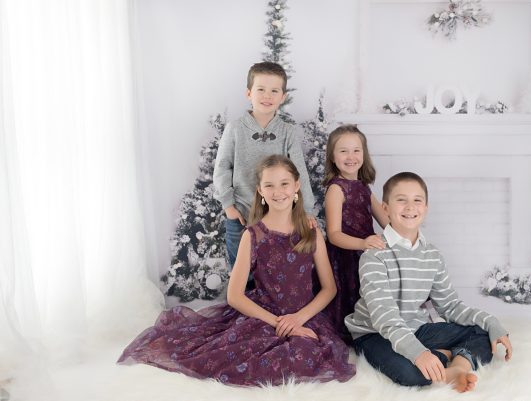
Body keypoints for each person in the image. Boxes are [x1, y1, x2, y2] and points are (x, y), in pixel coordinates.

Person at [118, 155, 355, 386]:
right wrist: (278, 323)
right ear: (260, 191)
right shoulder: (253, 235)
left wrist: (298, 320)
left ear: (296, 186)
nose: (278, 191)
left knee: (311, 354)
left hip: (305, 314)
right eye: (269, 185)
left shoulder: (311, 232)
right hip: (265, 315)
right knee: (263, 359)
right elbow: (235, 296)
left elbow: (329, 288)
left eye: (284, 184)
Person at [345, 172, 512, 393]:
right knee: (409, 372)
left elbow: (450, 306)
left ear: (426, 208)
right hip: (374, 333)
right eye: (401, 200)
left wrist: (491, 323)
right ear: (385, 208)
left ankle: (457, 367)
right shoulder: (374, 254)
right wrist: (418, 353)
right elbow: (384, 317)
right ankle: (446, 356)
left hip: (417, 328)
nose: (410, 207)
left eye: (417, 200)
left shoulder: (432, 255)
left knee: (482, 333)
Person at [213, 61, 314, 269]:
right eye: (261, 89)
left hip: (279, 215)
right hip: (241, 214)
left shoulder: (287, 132)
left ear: (283, 97)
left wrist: (307, 210)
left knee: (272, 269)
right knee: (242, 271)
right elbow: (222, 167)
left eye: (274, 91)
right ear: (249, 93)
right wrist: (228, 206)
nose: (267, 96)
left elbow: (299, 171)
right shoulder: (235, 129)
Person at [321, 125, 388, 342]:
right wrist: (363, 243)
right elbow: (333, 234)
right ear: (332, 156)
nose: (351, 157)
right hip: (345, 256)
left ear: (364, 154)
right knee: (349, 301)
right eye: (343, 151)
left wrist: (406, 232)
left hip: (366, 252)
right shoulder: (336, 189)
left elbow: (385, 220)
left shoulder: (363, 186)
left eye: (356, 150)